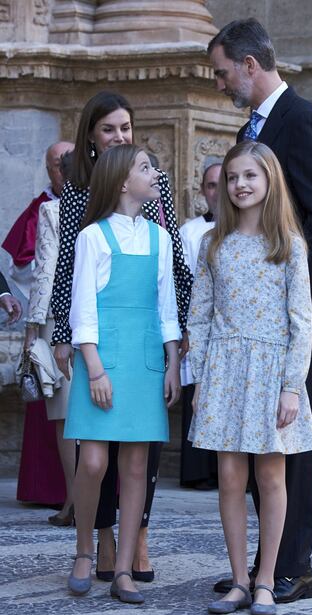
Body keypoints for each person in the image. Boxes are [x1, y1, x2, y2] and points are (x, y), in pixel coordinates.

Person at [208, 19, 312, 602]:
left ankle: (294, 567)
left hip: (295, 311)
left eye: (221, 73)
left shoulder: (303, 119)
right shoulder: (252, 128)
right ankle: (259, 568)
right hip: (246, 325)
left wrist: (281, 278)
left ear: (248, 65)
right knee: (255, 444)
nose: (219, 84)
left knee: (292, 439)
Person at [50, 91, 191, 583]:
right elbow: (71, 275)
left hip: (146, 352)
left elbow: (171, 280)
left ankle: (129, 556)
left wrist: (177, 354)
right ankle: (89, 547)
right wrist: (72, 342)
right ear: (93, 136)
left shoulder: (157, 222)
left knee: (137, 463)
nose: (120, 136)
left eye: (125, 128)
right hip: (102, 349)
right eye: (109, 129)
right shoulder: (84, 213)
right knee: (93, 461)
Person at [188, 141, 312, 615]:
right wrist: (199, 377)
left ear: (269, 182)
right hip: (224, 370)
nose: (241, 185)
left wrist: (291, 385)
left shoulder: (288, 243)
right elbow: (199, 316)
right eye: (233, 177)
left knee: (270, 472)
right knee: (228, 476)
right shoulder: (213, 244)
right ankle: (238, 580)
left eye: (250, 176)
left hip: (271, 371)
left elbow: (301, 320)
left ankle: (267, 579)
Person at [2, 141, 74, 508]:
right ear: (48, 170)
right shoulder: (41, 210)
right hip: (48, 319)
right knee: (52, 403)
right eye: (57, 165)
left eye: (68, 163)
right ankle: (51, 490)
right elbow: (23, 265)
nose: (63, 170)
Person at [24, 150, 77, 527]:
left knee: (63, 418)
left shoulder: (53, 212)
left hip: (58, 320)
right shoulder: (109, 213)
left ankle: (74, 502)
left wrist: (31, 328)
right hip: (99, 321)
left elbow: (44, 274)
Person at [179, 157, 222, 490]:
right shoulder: (190, 232)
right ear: (202, 192)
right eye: (211, 185)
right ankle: (197, 470)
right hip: (201, 322)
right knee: (198, 391)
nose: (218, 191)